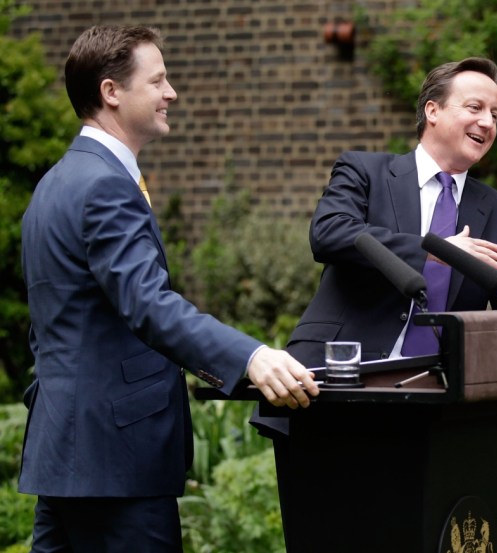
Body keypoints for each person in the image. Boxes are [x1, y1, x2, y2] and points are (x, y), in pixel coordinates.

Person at [18, 25, 319, 553]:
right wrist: (249, 356)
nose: (171, 92)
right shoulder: (107, 185)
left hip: (64, 454)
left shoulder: (55, 183)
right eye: (157, 80)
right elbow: (148, 304)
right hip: (117, 462)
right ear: (112, 92)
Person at [252, 56, 497, 551]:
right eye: (475, 107)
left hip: (439, 408)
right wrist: (441, 246)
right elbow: (330, 234)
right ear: (432, 110)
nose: (488, 122)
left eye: (496, 113)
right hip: (333, 394)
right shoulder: (365, 171)